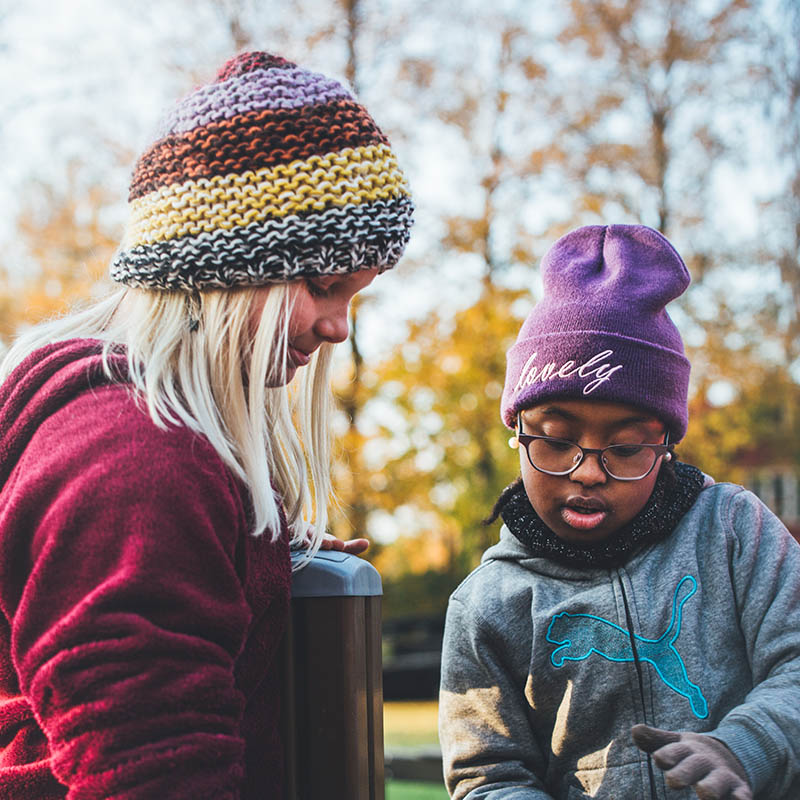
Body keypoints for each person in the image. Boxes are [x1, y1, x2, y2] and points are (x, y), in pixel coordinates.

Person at [0, 51, 413, 798]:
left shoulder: (140, 437)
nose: (338, 329)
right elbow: (153, 769)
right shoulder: (136, 459)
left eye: (356, 297)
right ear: (216, 271)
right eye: (324, 287)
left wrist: (258, 567)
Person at [438, 225, 800, 800]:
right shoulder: (488, 603)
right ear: (518, 433)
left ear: (665, 446)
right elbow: (489, 776)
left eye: (627, 449)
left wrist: (745, 746)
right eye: (556, 440)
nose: (587, 472)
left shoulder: (735, 530)